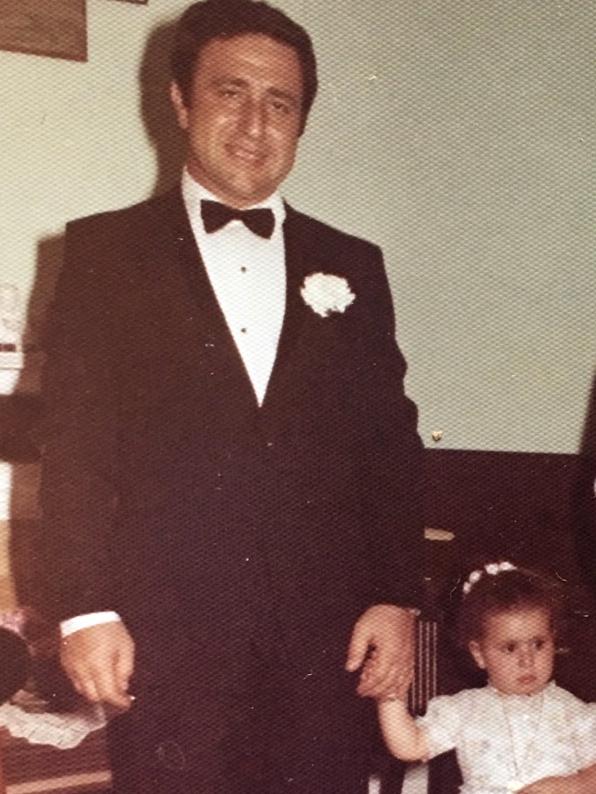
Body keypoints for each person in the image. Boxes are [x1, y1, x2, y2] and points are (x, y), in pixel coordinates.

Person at [36, 1, 424, 792]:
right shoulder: (104, 254)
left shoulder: (354, 264)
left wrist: (395, 596)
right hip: (168, 639)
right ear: (179, 102)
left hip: (328, 648)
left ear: (303, 122)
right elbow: (75, 447)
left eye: (280, 103)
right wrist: (83, 609)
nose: (255, 123)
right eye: (230, 92)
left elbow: (388, 447)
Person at [378, 561, 596, 794]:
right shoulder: (464, 709)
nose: (527, 660)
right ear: (479, 654)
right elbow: (410, 746)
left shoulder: (573, 713)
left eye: (538, 644)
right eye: (510, 648)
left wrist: (572, 785)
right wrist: (390, 695)